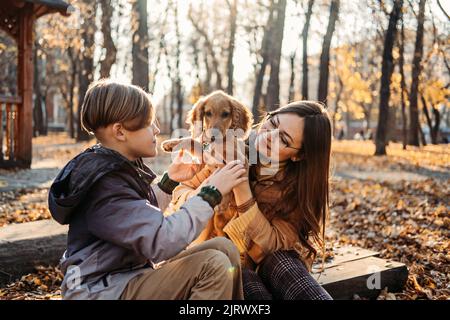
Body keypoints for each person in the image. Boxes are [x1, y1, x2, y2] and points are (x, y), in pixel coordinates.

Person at [48, 79, 247, 300]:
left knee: (223, 248)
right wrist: (210, 193)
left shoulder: (113, 167)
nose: (157, 129)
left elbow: (138, 216)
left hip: (123, 277)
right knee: (213, 265)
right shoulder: (104, 186)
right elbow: (161, 241)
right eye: (149, 123)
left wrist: (169, 181)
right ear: (120, 132)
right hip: (98, 291)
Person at [170, 101, 333, 300]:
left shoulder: (298, 187)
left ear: (299, 156)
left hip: (272, 262)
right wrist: (207, 196)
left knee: (281, 260)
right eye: (273, 123)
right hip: (220, 258)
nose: (268, 136)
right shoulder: (227, 149)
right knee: (241, 275)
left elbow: (271, 248)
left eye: (283, 138)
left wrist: (241, 187)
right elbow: (180, 192)